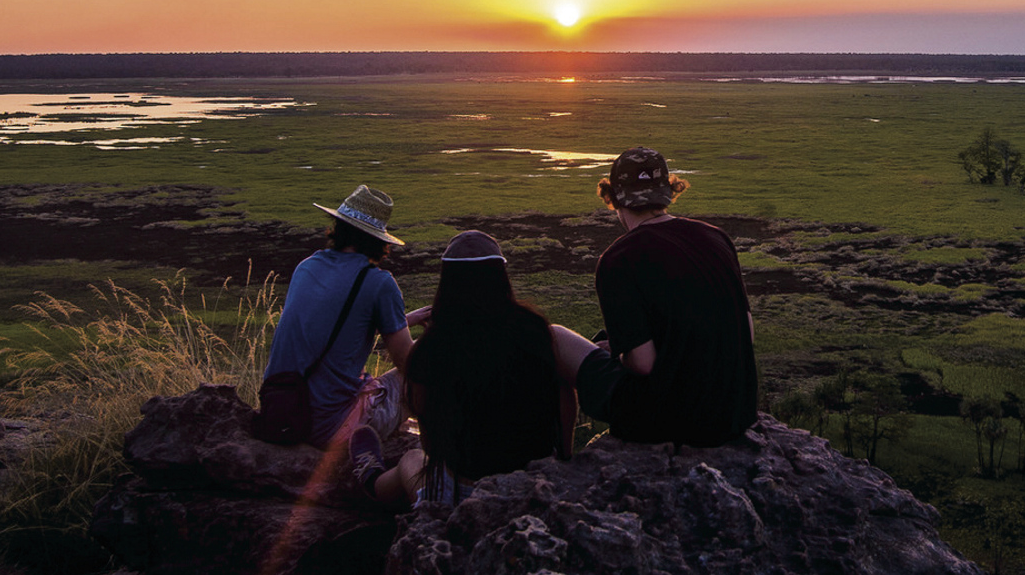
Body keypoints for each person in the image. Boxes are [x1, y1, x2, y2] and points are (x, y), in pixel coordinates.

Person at [548, 146, 759, 448]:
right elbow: (746, 332)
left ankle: (561, 458)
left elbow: (643, 364)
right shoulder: (717, 237)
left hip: (664, 420)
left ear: (614, 197)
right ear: (668, 192)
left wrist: (618, 353)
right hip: (735, 413)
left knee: (554, 338)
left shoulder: (618, 258)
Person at [355, 229, 572, 508]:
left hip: (465, 496)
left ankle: (372, 480)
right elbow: (563, 389)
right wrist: (564, 457)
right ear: (501, 276)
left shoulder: (432, 347)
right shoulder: (535, 329)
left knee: (413, 460)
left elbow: (431, 440)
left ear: (447, 282)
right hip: (537, 481)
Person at [264, 184, 426, 453]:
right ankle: (435, 454)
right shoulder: (378, 283)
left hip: (283, 414)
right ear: (379, 241)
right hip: (331, 428)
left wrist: (406, 319)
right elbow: (408, 364)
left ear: (338, 227)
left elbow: (338, 329)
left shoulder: (306, 266)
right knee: (422, 372)